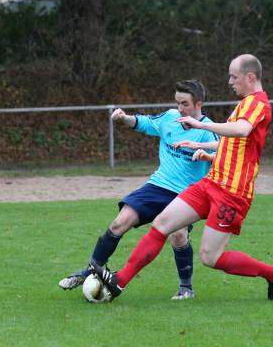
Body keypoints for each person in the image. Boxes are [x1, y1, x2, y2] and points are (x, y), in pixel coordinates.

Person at [91, 54, 273, 301]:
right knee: (162, 224)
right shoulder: (245, 103)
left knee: (210, 257)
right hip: (211, 182)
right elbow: (234, 144)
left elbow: (241, 131)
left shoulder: (258, 103)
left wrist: (201, 126)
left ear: (250, 77)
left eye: (233, 77)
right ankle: (119, 282)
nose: (230, 82)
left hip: (232, 193)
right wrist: (204, 149)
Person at [59, 79, 218, 300]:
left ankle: (186, 288)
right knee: (119, 223)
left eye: (185, 104)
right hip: (157, 186)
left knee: (178, 235)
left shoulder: (207, 131)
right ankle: (90, 270)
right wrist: (124, 118)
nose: (180, 108)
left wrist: (207, 156)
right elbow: (144, 123)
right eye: (177, 102)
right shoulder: (170, 118)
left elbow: (224, 157)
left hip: (186, 194)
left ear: (199, 103)